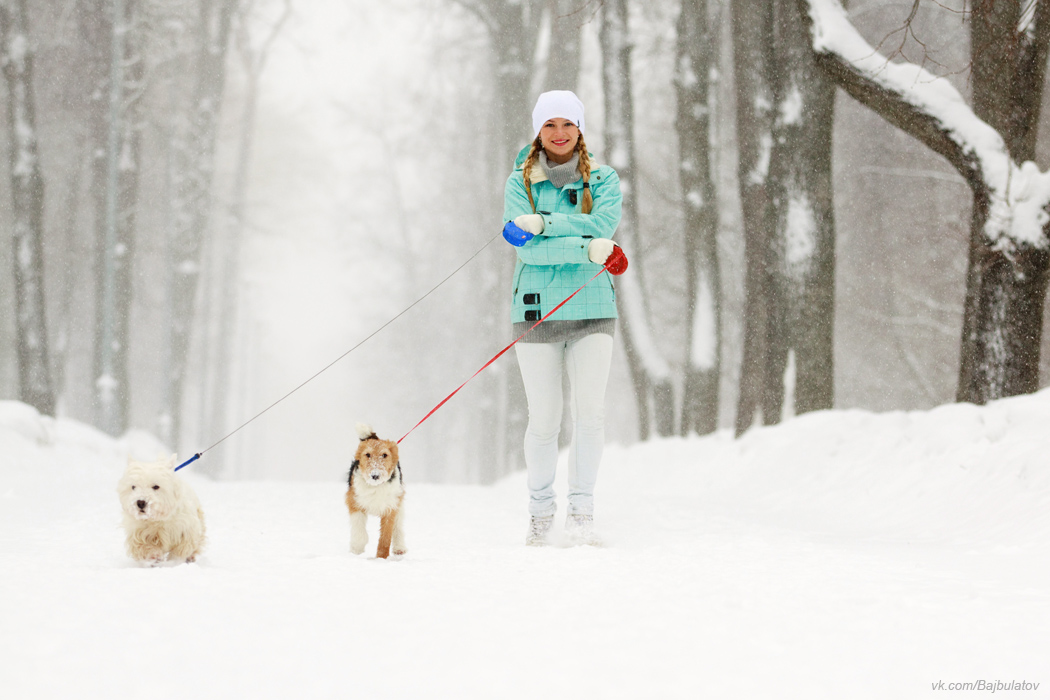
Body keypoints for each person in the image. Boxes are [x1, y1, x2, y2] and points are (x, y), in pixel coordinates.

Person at [502, 90, 626, 546]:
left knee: (590, 414)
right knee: (545, 419)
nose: (559, 134)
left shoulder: (606, 180)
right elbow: (527, 250)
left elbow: (604, 228)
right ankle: (539, 511)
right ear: (538, 130)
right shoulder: (521, 183)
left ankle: (582, 511)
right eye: (550, 125)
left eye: (568, 125)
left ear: (580, 129)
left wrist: (543, 222)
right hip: (535, 312)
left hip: (594, 309)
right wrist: (585, 246)